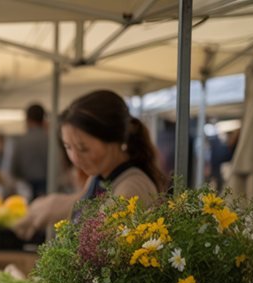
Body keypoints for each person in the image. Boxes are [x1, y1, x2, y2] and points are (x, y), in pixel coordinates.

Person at [13, 90, 166, 239]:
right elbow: (81, 202)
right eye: (68, 147)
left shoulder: (131, 188)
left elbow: (99, 242)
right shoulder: (97, 178)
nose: (75, 158)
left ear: (115, 139)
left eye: (83, 148)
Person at [9, 104, 50, 200]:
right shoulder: (50, 140)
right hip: (48, 188)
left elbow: (13, 170)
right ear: (43, 120)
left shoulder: (21, 141)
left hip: (26, 189)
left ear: (27, 119)